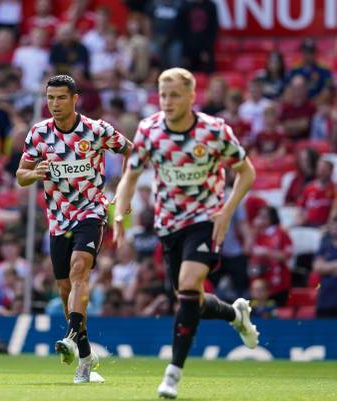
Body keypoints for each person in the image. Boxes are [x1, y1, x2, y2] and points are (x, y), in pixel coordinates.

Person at [113, 68, 259, 399]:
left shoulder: (213, 130)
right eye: (163, 95)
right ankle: (235, 313)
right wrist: (119, 212)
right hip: (168, 225)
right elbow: (130, 177)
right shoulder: (149, 131)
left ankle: (173, 373)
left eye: (175, 95)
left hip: (205, 220)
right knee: (187, 298)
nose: (167, 102)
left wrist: (226, 211)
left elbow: (246, 172)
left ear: (192, 96)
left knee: (190, 284)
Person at [16, 75, 132, 383]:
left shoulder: (96, 130)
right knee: (65, 288)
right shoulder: (39, 134)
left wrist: (124, 192)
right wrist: (34, 173)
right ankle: (84, 354)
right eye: (50, 98)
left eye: (61, 98)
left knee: (80, 269)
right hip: (58, 220)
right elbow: (20, 174)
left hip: (91, 212)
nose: (54, 104)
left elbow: (133, 152)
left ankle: (69, 337)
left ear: (75, 98)